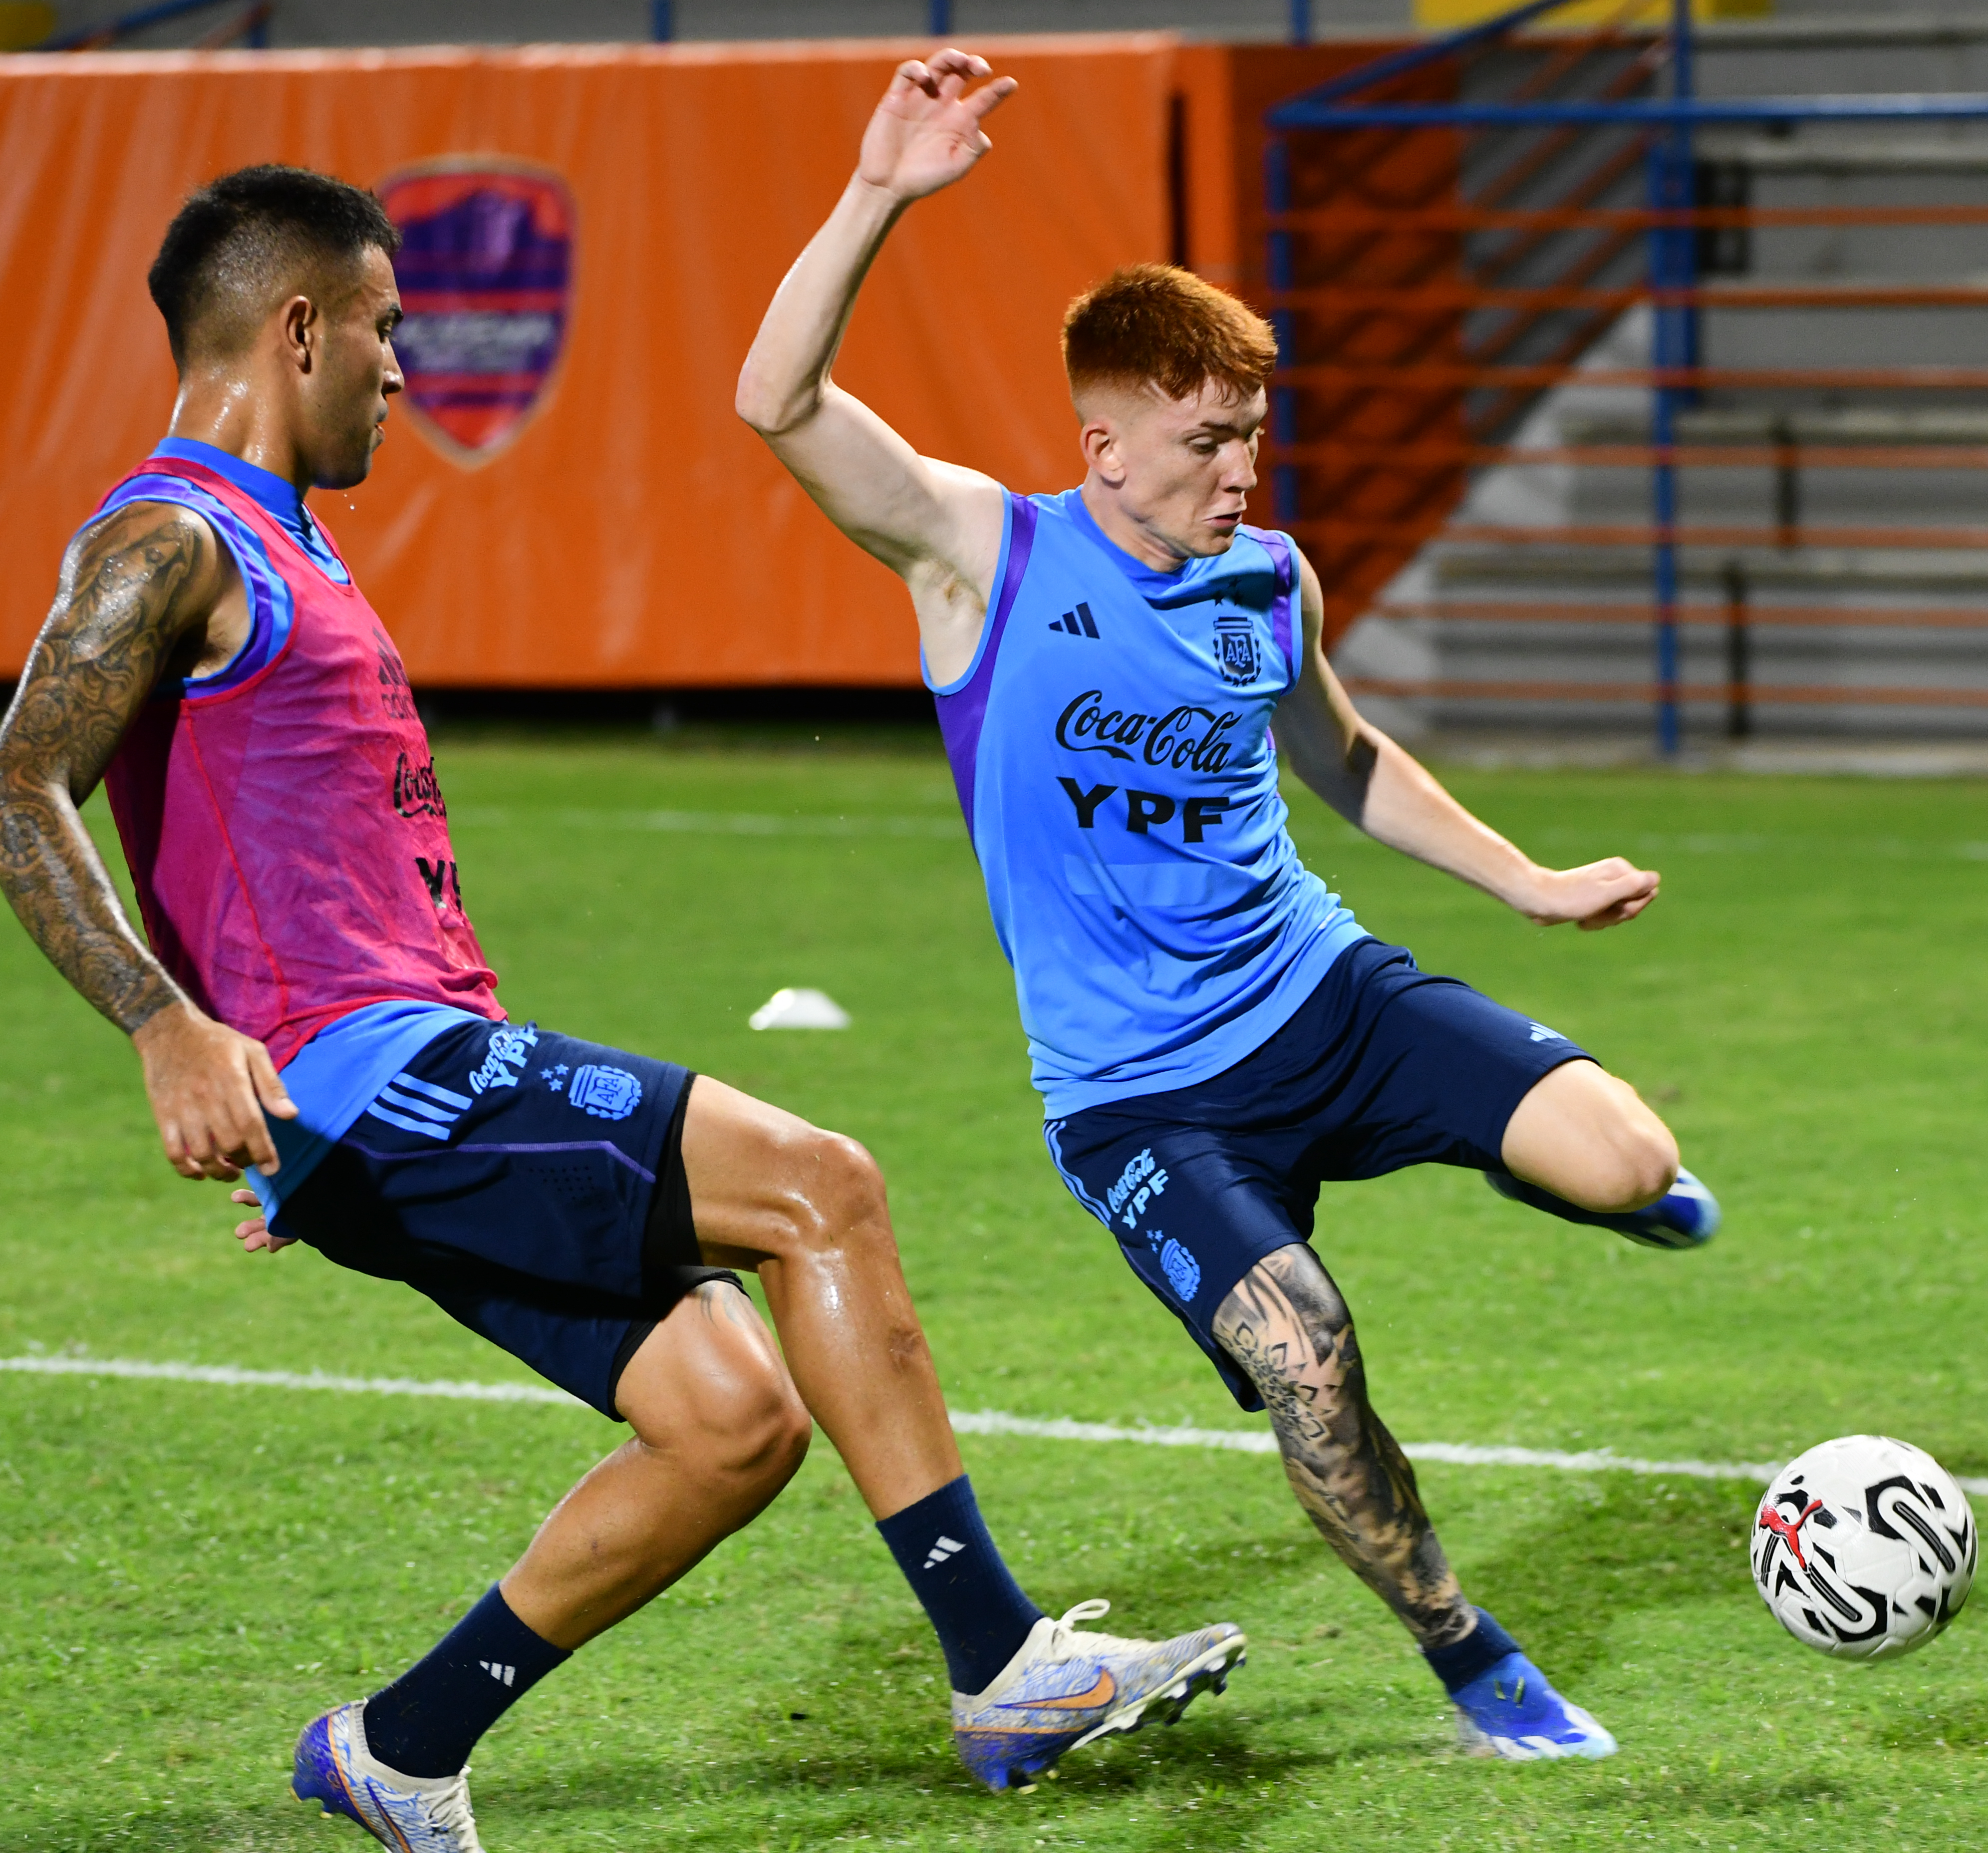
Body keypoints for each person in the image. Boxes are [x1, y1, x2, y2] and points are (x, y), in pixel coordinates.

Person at [0, 164, 1244, 1845]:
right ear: (298, 329)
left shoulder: (289, 545)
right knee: (823, 1186)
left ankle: (397, 1749)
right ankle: (1004, 1662)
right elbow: (19, 783)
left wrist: (303, 1133)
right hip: (381, 1074)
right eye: (383, 328)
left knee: (731, 1425)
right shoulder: (169, 536)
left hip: (375, 1094)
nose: (402, 368)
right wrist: (172, 1029)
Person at [739, 53, 1720, 1763]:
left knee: (1629, 1161)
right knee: (1308, 1356)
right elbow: (778, 400)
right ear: (1103, 444)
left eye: (1254, 435)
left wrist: (1530, 882)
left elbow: (1346, 760)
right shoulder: (983, 557)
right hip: (1141, 1099)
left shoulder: (1265, 579)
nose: (1241, 471)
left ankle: (1572, 1177)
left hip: (1322, 995)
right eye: (1206, 442)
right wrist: (881, 191)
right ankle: (1474, 1658)